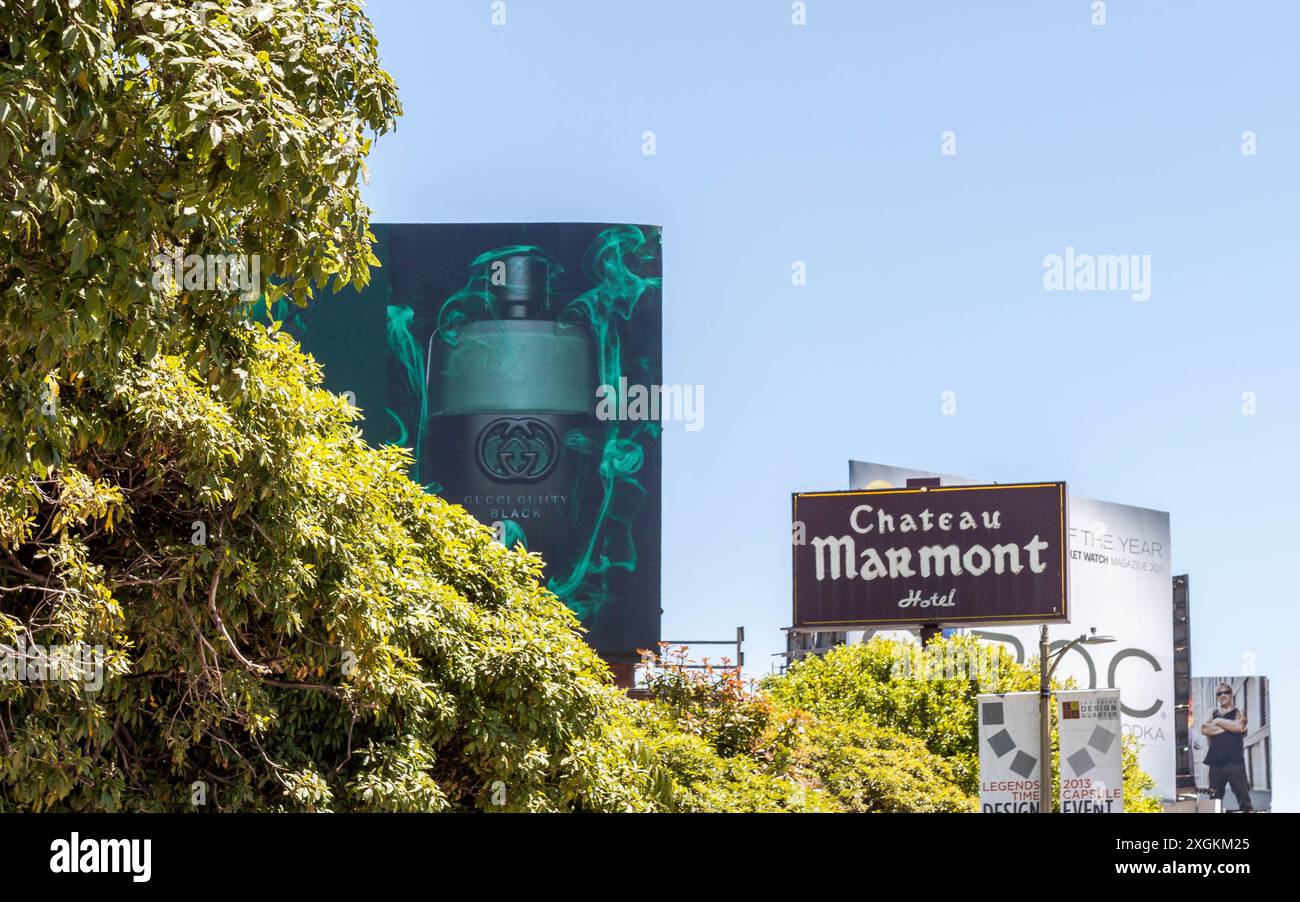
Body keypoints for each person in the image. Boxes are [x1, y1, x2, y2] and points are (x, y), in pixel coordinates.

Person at [1200, 682, 1253, 812]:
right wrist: (1230, 728)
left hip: (1235, 762)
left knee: (1244, 800)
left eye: (1226, 692)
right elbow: (1204, 729)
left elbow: (1240, 726)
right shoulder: (1211, 712)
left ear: (1231, 694)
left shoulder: (1239, 711)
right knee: (1214, 801)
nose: (1223, 695)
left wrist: (1218, 722)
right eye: (1219, 693)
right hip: (1215, 763)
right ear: (1217, 697)